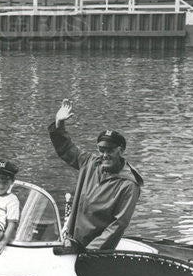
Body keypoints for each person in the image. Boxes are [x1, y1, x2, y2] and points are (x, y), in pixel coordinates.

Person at [49, 98, 143, 251]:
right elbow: (67, 149)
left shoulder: (129, 185)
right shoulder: (90, 163)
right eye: (101, 150)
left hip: (96, 253)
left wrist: (90, 251)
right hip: (73, 243)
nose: (104, 155)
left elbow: (118, 225)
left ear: (121, 150)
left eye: (110, 150)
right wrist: (59, 124)